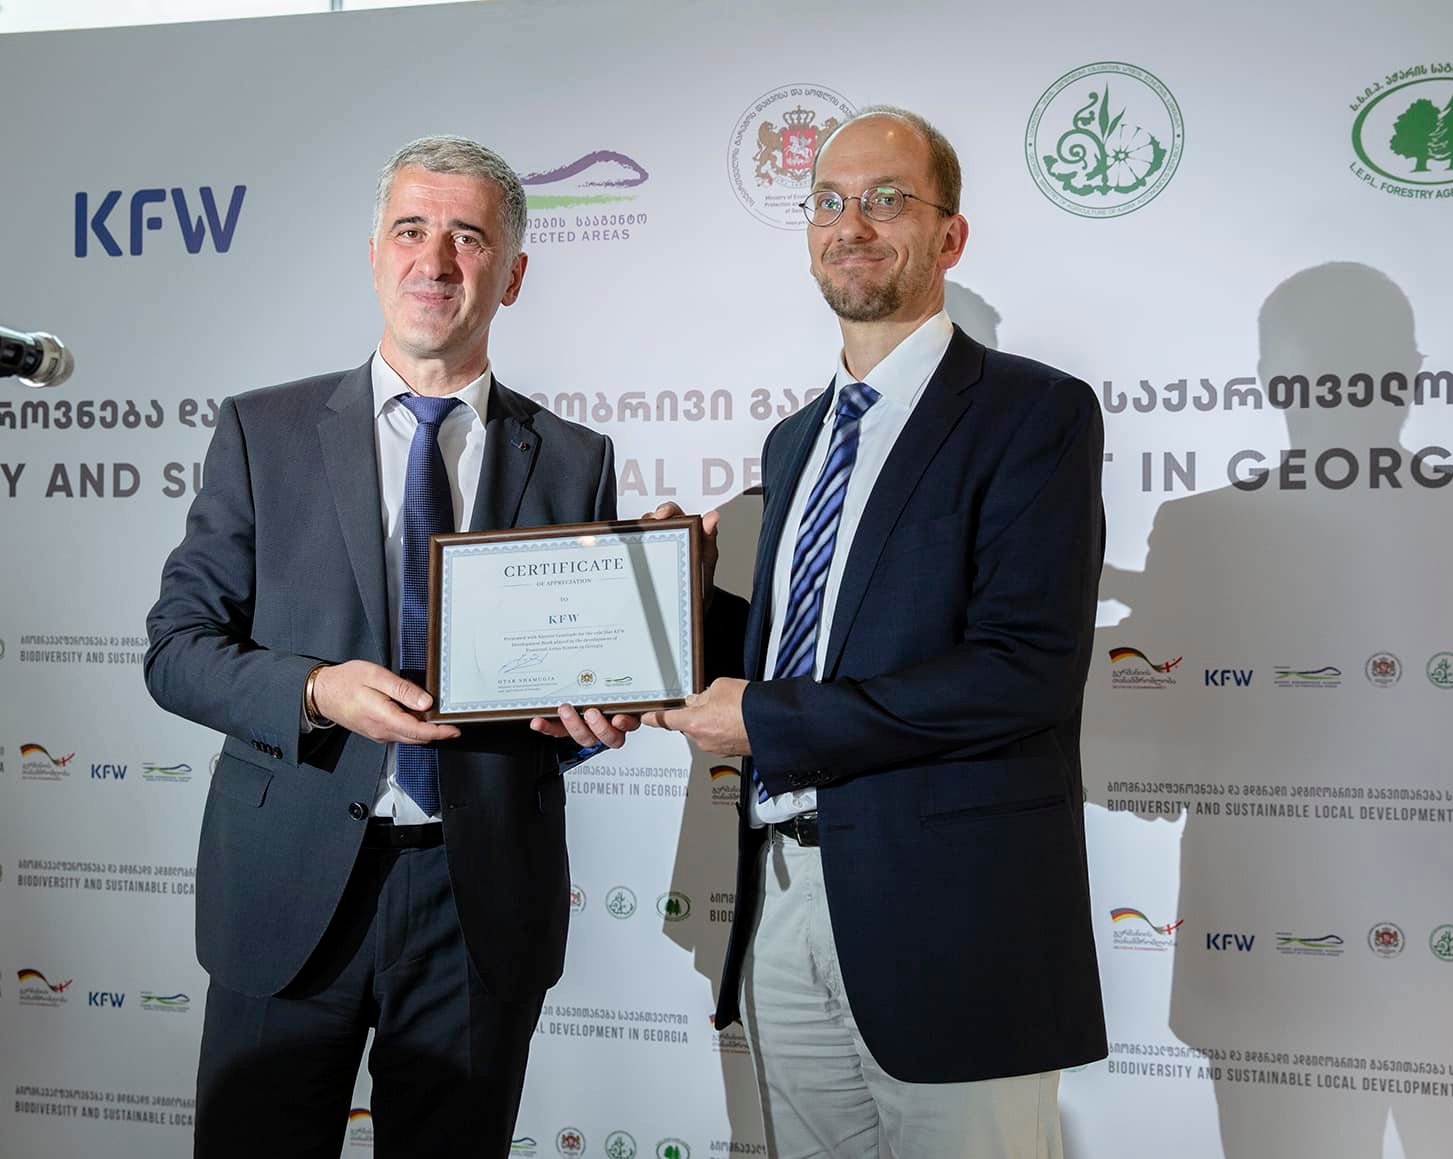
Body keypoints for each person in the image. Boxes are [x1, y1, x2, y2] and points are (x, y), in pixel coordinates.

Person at [144, 134, 637, 1157]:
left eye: (469, 238)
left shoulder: (574, 460)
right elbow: (177, 650)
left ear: (512, 274)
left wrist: (589, 720)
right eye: (411, 230)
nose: (436, 260)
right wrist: (317, 690)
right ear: (375, 254)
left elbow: (565, 690)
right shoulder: (264, 432)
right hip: (286, 893)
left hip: (477, 906)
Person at [648, 106, 1107, 1158]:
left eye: (886, 199)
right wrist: (681, 603)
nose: (851, 224)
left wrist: (768, 719)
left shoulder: (1034, 414)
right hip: (781, 896)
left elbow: (1023, 671)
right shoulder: (796, 439)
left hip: (954, 914)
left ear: (950, 235)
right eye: (829, 201)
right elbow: (815, 652)